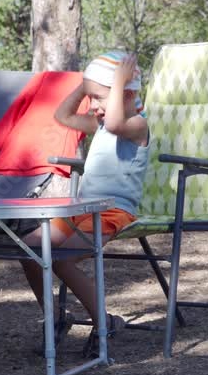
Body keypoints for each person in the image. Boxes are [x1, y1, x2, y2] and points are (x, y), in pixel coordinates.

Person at [19, 51, 149, 357]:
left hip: (113, 210)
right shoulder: (101, 124)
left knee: (62, 259)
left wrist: (117, 81)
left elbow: (115, 123)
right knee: (29, 249)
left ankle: (105, 323)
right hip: (83, 209)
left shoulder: (136, 124)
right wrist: (85, 86)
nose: (92, 105)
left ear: (127, 94)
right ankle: (55, 317)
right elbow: (62, 117)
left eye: (99, 98)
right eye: (91, 98)